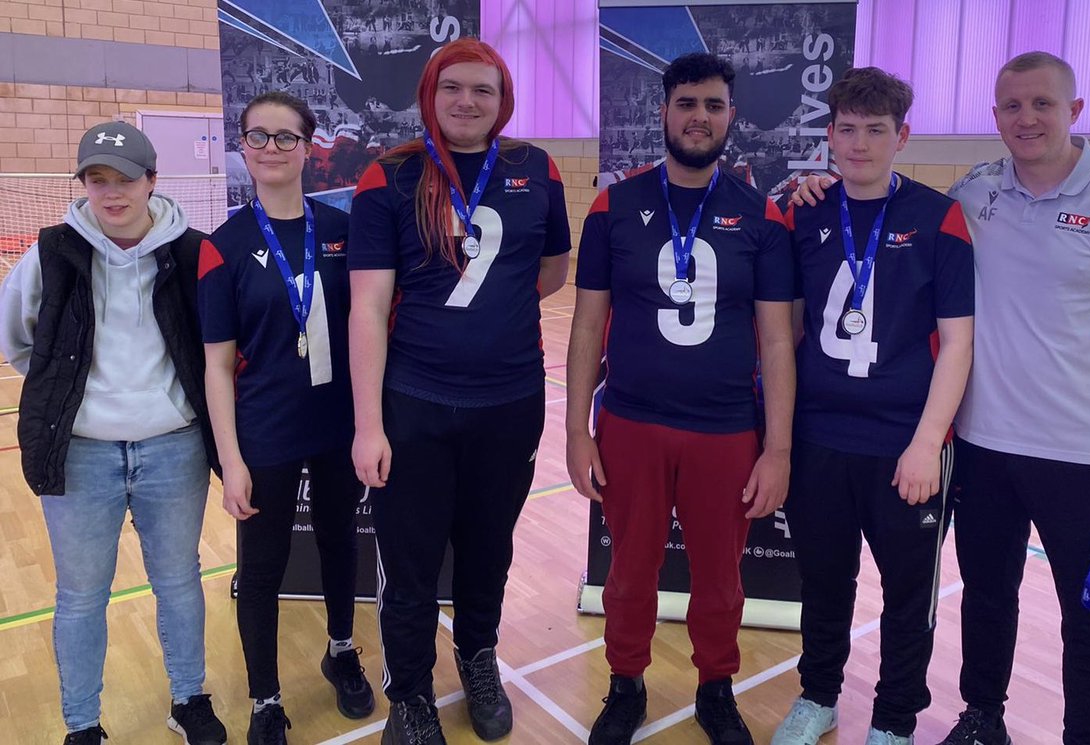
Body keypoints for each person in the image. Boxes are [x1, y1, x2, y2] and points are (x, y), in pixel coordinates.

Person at [793, 51, 1090, 745]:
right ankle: (983, 717)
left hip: (1085, 452)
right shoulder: (975, 193)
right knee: (986, 597)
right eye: (1012, 106)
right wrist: (815, 186)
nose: (1027, 118)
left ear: (1074, 111)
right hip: (981, 443)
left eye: (1042, 104)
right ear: (995, 117)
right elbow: (883, 212)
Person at [567, 53, 795, 745]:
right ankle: (624, 681)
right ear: (663, 111)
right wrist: (578, 430)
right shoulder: (614, 205)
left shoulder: (763, 215)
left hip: (726, 430)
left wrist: (778, 447)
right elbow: (585, 325)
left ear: (731, 117)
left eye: (715, 106)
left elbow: (779, 341)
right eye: (688, 103)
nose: (700, 117)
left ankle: (715, 688)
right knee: (629, 573)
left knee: (721, 580)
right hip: (632, 423)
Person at [347, 38, 571, 745]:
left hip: (509, 403)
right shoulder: (388, 176)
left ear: (504, 100)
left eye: (484, 90)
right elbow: (367, 308)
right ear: (430, 95)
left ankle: (478, 656)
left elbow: (554, 270)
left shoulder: (537, 169)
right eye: (453, 89)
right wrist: (366, 424)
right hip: (414, 403)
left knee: (488, 549)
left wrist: (492, 313)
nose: (468, 102)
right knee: (409, 560)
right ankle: (409, 694)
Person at [0, 121, 227, 745]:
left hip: (173, 447)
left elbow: (216, 346)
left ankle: (190, 698)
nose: (112, 192)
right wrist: (73, 392)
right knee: (79, 596)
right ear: (84, 186)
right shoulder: (50, 253)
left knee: (179, 580)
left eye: (125, 179)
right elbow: (19, 342)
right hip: (80, 455)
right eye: (97, 180)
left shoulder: (192, 253)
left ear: (152, 180)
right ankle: (82, 725)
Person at [770, 68, 973, 745]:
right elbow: (782, 325)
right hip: (819, 437)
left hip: (903, 443)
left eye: (876, 130)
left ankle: (892, 720)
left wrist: (926, 441)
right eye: (847, 129)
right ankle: (818, 694)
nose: (859, 144)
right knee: (825, 579)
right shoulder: (803, 209)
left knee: (908, 595)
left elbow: (958, 343)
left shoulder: (938, 216)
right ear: (828, 134)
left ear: (902, 136)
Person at [198, 91, 375, 745]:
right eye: (257, 136)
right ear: (241, 146)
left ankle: (340, 647)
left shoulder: (344, 231)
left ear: (309, 146)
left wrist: (369, 422)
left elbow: (370, 327)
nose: (270, 148)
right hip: (265, 433)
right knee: (264, 566)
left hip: (336, 426)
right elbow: (216, 366)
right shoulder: (224, 247)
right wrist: (231, 460)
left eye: (284, 137)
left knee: (338, 542)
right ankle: (266, 698)